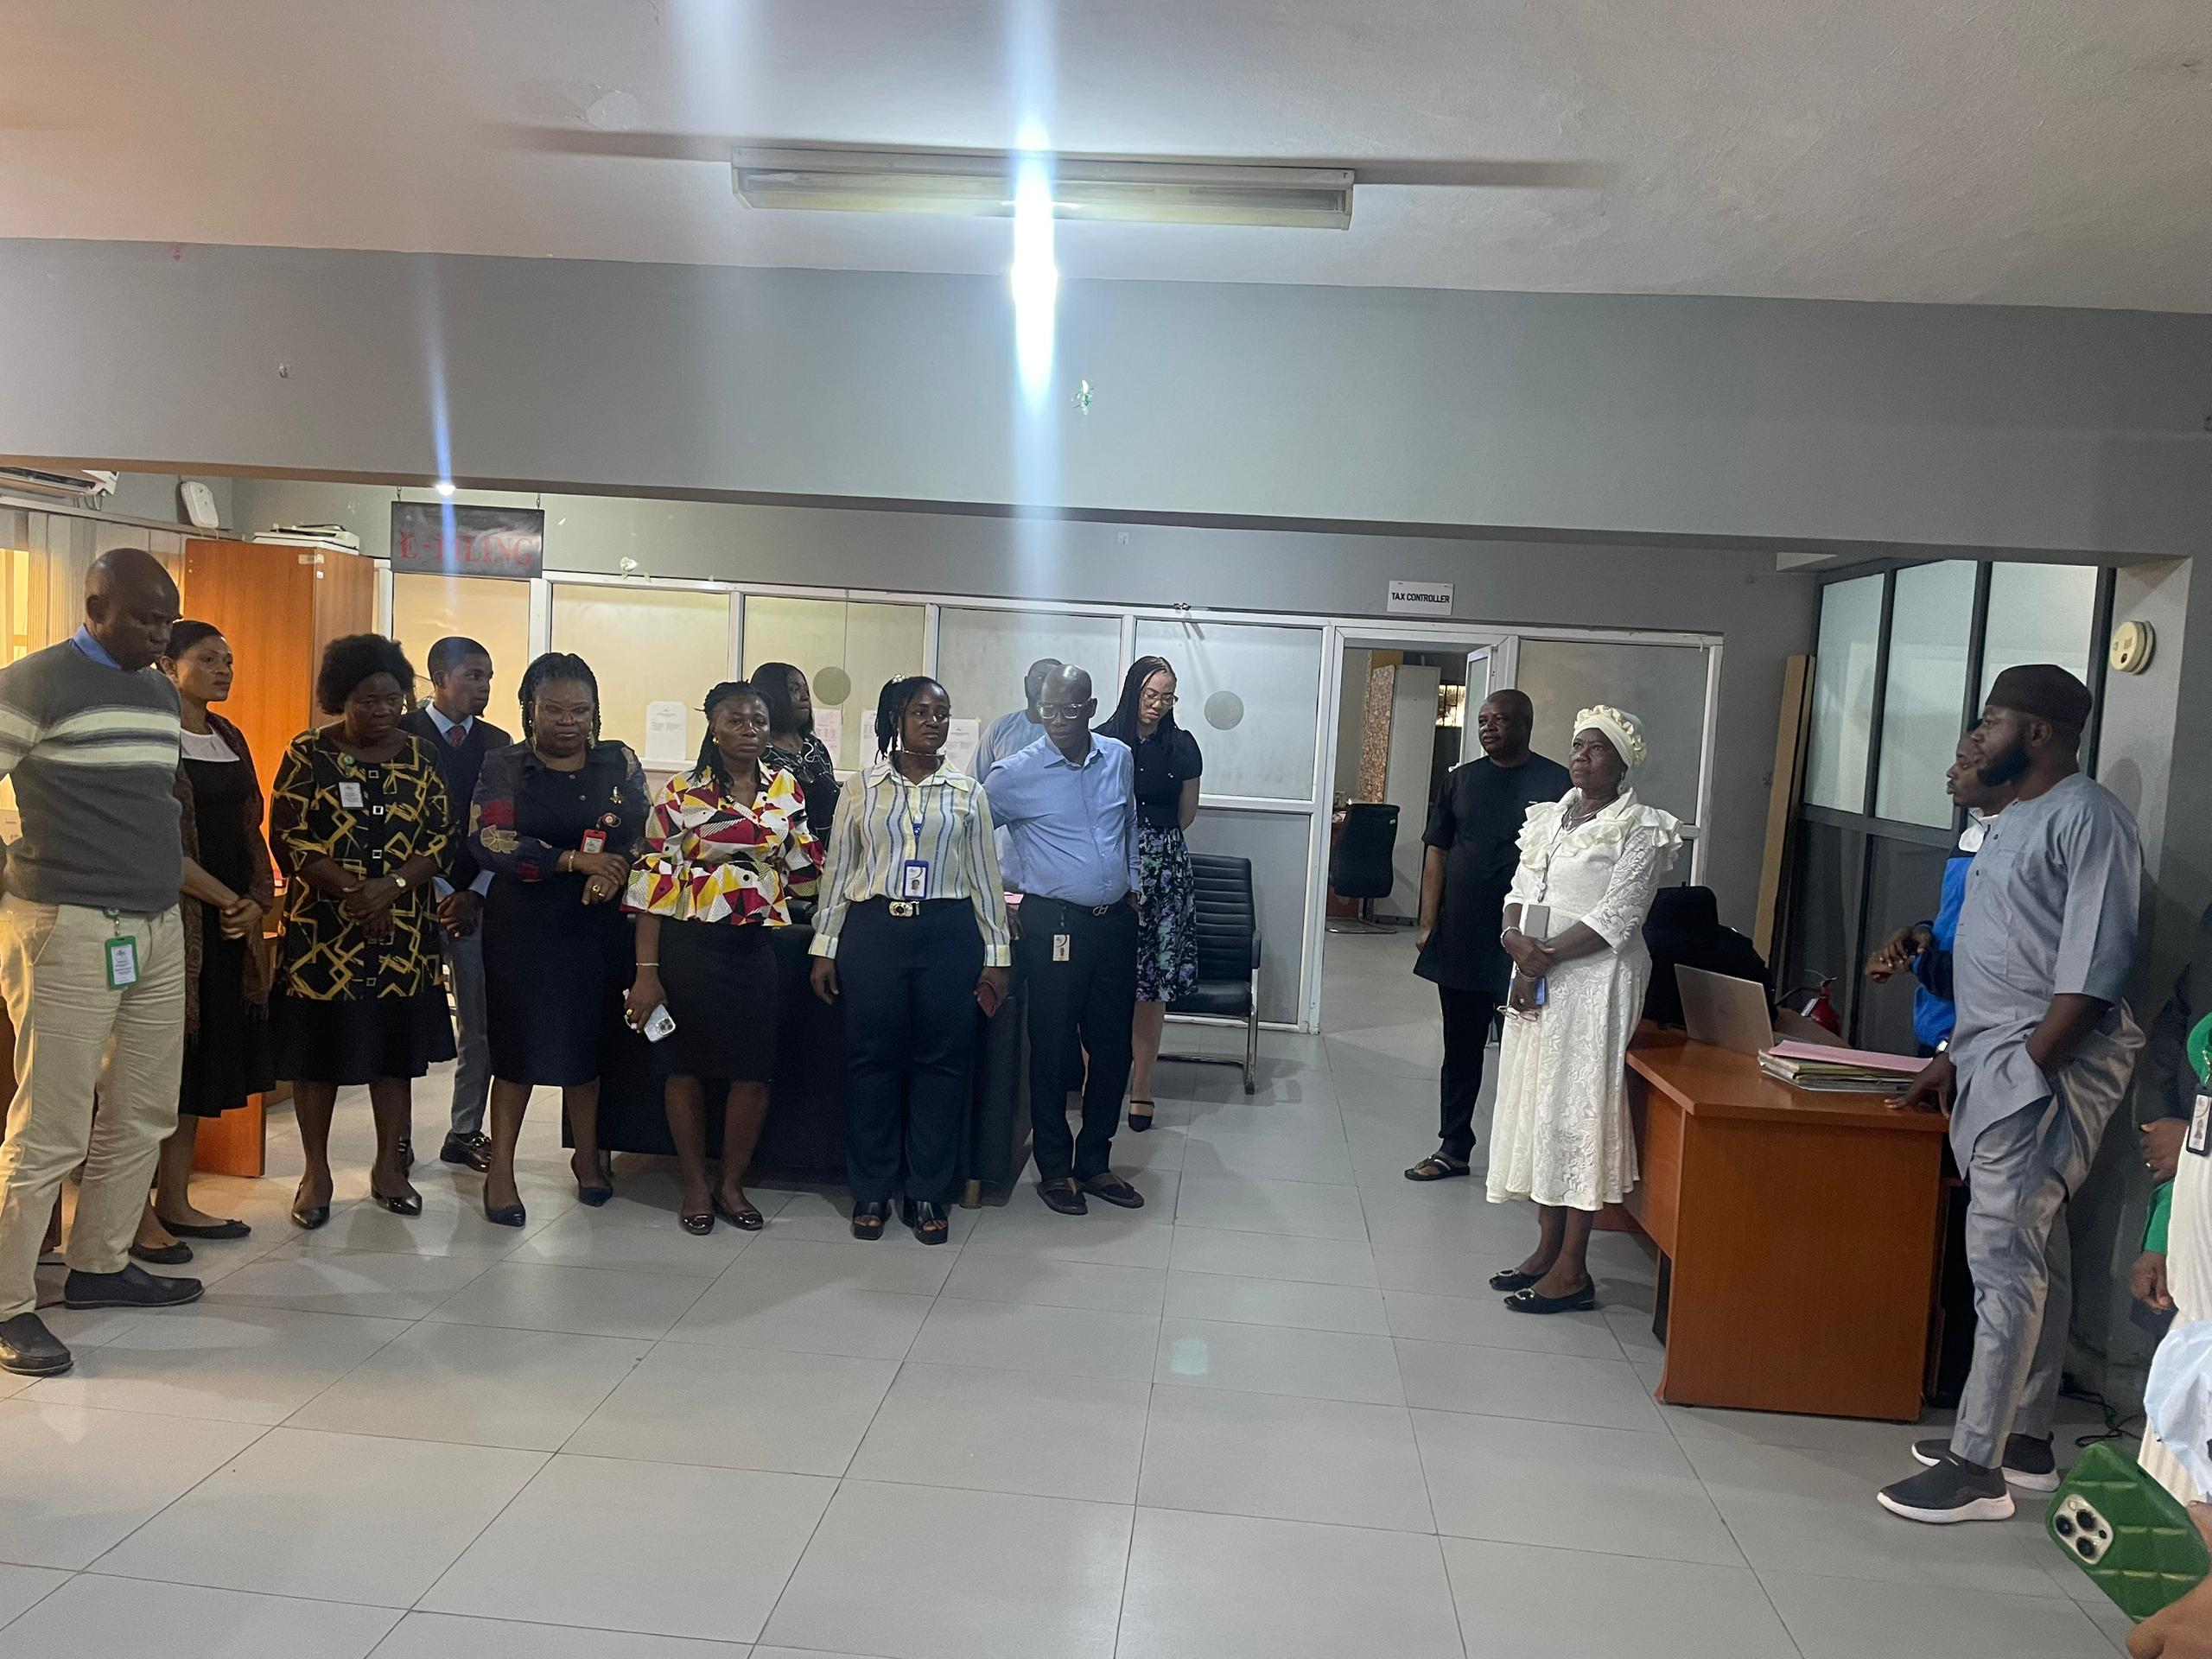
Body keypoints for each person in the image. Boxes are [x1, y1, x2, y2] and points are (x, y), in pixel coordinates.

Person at [1879, 664, 2143, 1524]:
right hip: (1992, 1062)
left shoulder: (2090, 817)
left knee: (2002, 1261)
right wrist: (1955, 1056)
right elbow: (2001, 965)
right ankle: (2025, 1439)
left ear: (2037, 733)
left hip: (2040, 1073)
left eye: (1991, 721)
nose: (1975, 735)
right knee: (2038, 1253)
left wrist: (2024, 1075)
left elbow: (2092, 976)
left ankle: (1976, 1466)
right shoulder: (2008, 822)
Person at [0, 549, 199, 1376]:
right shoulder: (33, 684)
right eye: (146, 620)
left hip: (153, 925)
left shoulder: (156, 692)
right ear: (95, 608)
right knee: (50, 1124)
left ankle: (100, 1264)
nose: (160, 637)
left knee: (143, 1107)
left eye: (167, 622)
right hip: (69, 925)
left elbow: (150, 806)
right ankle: (7, 1303)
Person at [1488, 705, 1681, 1312]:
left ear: (1622, 764)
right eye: (1577, 745)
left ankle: (1573, 1269)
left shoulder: (1641, 827)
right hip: (1537, 972)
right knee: (1540, 1103)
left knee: (1578, 1109)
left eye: (1597, 748)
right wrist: (1515, 943)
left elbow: (1617, 917)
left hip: (1596, 980)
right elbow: (1519, 891)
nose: (1581, 755)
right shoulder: (1549, 816)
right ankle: (1546, 1249)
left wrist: (1539, 958)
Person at [810, 677, 1011, 1243]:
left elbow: (985, 879)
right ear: (897, 718)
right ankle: (872, 1187)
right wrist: (824, 945)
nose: (933, 722)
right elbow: (839, 872)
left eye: (942, 713)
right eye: (921, 712)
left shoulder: (968, 792)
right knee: (871, 1060)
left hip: (948, 934)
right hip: (874, 932)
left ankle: (927, 1190)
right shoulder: (860, 788)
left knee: (941, 1063)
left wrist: (997, 954)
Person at [270, 634, 456, 1230]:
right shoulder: (308, 752)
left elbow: (442, 837)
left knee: (393, 1055)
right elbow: (289, 836)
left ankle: (389, 1169)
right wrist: (357, 892)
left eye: (392, 699)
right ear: (340, 698)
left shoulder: (422, 755)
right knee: (317, 1057)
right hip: (324, 935)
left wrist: (390, 888)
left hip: (402, 934)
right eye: (366, 700)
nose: (381, 711)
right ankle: (315, 1175)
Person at [625, 682, 821, 1235]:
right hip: (689, 948)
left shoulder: (785, 788)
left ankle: (732, 1184)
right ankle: (694, 1184)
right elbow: (650, 886)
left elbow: (805, 866)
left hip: (754, 948)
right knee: (684, 1069)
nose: (750, 730)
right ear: (713, 728)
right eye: (736, 720)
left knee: (753, 1073)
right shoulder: (681, 794)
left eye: (759, 720)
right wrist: (646, 974)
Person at [467, 653, 650, 1227]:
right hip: (523, 926)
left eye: (580, 710)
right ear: (530, 709)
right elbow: (489, 839)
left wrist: (614, 869)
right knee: (516, 1048)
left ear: (595, 712)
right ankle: (501, 1172)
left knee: (588, 1044)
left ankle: (588, 1158)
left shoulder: (617, 761)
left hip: (596, 925)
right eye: (554, 710)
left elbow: (644, 833)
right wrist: (572, 860)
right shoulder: (505, 764)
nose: (568, 721)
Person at [130, 622, 276, 1265]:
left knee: (197, 1064)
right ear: (167, 665)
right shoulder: (151, 735)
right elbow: (156, 842)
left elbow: (250, 826)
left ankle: (176, 1198)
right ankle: (130, 1212)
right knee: (151, 1071)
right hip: (173, 921)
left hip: (227, 923)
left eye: (230, 660)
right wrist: (227, 900)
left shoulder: (228, 735)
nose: (224, 670)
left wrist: (255, 902)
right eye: (209, 659)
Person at [984, 664, 1145, 1216]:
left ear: (1092, 708)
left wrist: (1134, 886)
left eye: (1070, 709)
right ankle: (1055, 1168)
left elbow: (1128, 827)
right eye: (1047, 709)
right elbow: (972, 839)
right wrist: (998, 904)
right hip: (1053, 924)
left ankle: (1095, 1161)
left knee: (1113, 1048)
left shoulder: (1118, 757)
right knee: (1052, 1049)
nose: (1056, 719)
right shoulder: (1015, 773)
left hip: (1114, 924)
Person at [1403, 690, 1570, 1181]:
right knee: (1460, 1047)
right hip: (1462, 933)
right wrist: (1427, 923)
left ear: (1526, 725)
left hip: (1529, 941)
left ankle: (1534, 1159)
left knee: (1532, 1050)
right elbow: (1437, 851)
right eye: (1482, 720)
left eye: (1500, 719)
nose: (1488, 727)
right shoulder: (1460, 780)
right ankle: (1454, 1147)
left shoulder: (1557, 783)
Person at [399, 636, 508, 1173]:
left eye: (487, 677)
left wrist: (474, 891)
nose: (483, 687)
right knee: (403, 1021)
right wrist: (438, 890)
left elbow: (504, 825)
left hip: (476, 898)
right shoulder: (401, 735)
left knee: (478, 1022)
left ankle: (464, 1130)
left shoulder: (498, 743)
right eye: (472, 675)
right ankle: (396, 1139)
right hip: (409, 899)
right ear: (439, 677)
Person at [1095, 655, 1204, 1131]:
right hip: (1108, 867)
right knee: (1101, 981)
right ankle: (1095, 1082)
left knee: (1151, 985)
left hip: (1164, 872)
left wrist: (1152, 850)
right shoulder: (1102, 740)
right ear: (1133, 691)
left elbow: (1185, 814)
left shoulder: (1182, 746)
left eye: (1167, 697)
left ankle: (1142, 1086)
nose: (1158, 705)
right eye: (1150, 694)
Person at [1865, 738, 2020, 1055]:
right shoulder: (1970, 839)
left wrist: (1917, 963)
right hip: (1935, 1029)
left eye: (1964, 764)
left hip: (1973, 1044)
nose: (1951, 772)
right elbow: (1956, 923)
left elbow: (1997, 967)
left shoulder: (2018, 849)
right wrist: (1920, 935)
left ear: (2004, 775)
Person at [753, 660, 841, 842]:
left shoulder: (815, 747)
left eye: (806, 690)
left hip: (827, 851)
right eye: (794, 690)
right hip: (780, 852)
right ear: (772, 695)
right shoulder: (757, 752)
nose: (804, 697)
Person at [977, 657, 1063, 781]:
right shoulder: (1000, 729)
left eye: (1053, 680)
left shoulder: (1071, 732)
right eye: (1039, 678)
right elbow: (974, 784)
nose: (1045, 686)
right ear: (1026, 683)